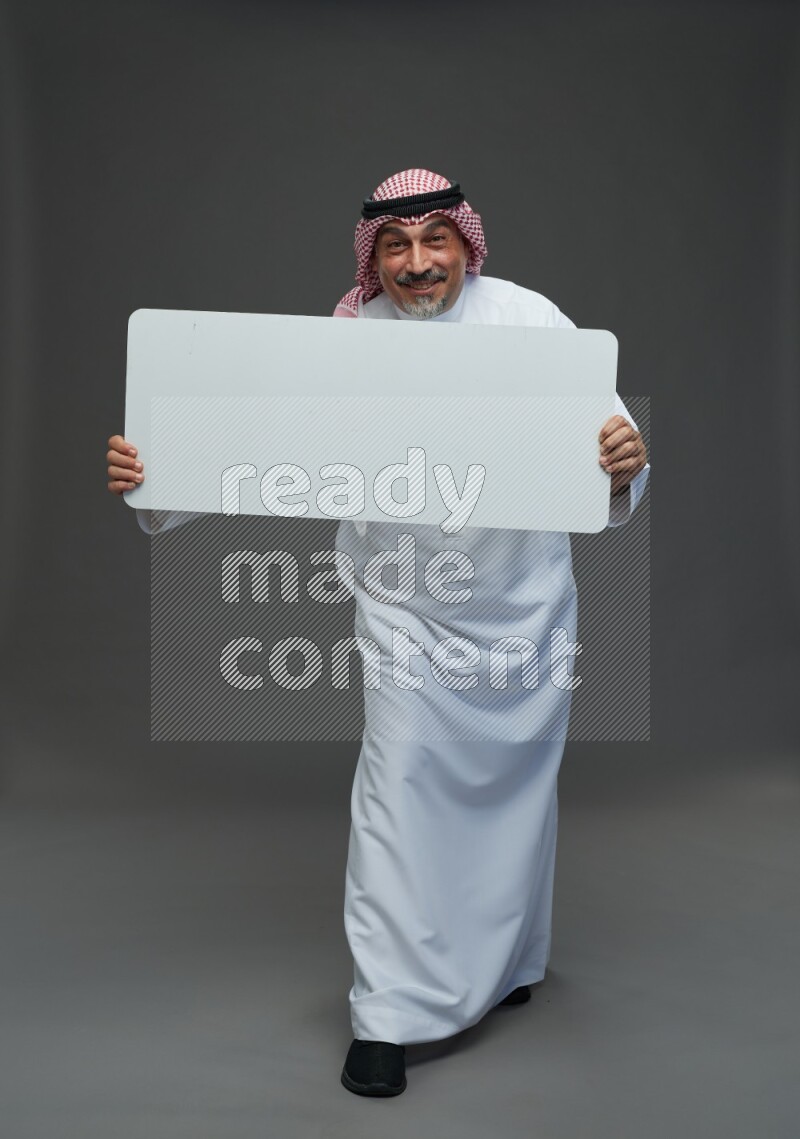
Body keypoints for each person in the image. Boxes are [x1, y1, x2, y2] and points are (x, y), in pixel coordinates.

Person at [106, 168, 649, 1098]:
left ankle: (510, 963)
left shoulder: (530, 319)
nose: (417, 261)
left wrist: (623, 461)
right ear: (374, 257)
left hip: (523, 609)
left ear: (467, 244)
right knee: (397, 795)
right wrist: (155, 471)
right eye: (396, 245)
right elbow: (264, 444)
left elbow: (608, 443)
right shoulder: (348, 339)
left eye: (436, 239)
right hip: (405, 610)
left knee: (518, 796)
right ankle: (388, 1014)